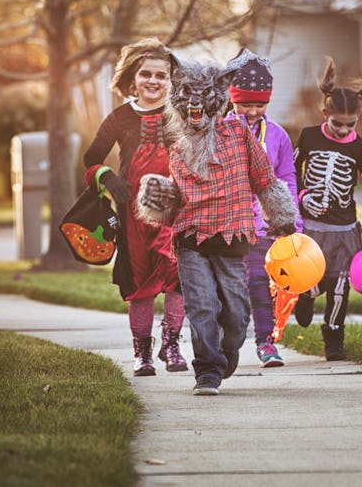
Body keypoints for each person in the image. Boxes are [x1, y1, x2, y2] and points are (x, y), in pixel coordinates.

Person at [135, 53, 297, 395]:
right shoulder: (177, 144)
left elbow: (265, 179)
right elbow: (177, 196)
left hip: (233, 237)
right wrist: (158, 198)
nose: (195, 107)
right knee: (202, 306)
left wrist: (283, 220)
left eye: (202, 99)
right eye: (187, 99)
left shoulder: (238, 132)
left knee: (237, 316)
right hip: (191, 239)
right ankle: (207, 371)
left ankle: (226, 353)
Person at [83, 38, 187, 377]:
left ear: (171, 80)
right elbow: (91, 158)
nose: (154, 82)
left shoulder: (182, 113)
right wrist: (107, 178)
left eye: (162, 75)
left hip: (176, 210)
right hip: (133, 215)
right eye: (146, 75)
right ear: (133, 79)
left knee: (177, 279)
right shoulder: (119, 118)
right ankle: (141, 352)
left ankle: (171, 344)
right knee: (139, 283)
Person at [292, 57, 362, 361]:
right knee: (312, 278)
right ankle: (305, 297)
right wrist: (302, 196)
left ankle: (334, 335)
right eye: (337, 124)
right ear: (325, 113)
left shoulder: (359, 147)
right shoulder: (308, 136)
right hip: (311, 227)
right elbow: (290, 172)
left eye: (351, 125)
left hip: (344, 229)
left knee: (340, 284)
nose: (344, 130)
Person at [225, 48, 302, 368]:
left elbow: (286, 179)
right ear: (232, 99)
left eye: (259, 104)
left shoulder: (279, 136)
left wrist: (290, 222)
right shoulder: (220, 131)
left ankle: (265, 343)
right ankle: (225, 344)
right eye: (245, 104)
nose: (252, 111)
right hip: (227, 227)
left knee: (259, 284)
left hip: (263, 228)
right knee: (228, 292)